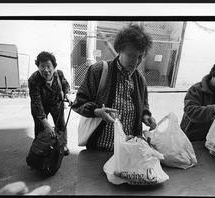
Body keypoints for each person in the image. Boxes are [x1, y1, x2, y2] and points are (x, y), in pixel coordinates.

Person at [72, 23, 157, 151]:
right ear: (119, 50)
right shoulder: (99, 71)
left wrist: (145, 116)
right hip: (101, 148)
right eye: (131, 55)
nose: (136, 61)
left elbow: (144, 104)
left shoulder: (140, 80)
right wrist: (96, 111)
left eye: (140, 56)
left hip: (129, 148)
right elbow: (79, 103)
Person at [28, 51, 72, 156]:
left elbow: (66, 85)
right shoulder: (33, 80)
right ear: (38, 67)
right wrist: (46, 124)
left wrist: (67, 95)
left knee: (61, 125)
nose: (46, 70)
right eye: (42, 66)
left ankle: (62, 145)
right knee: (41, 128)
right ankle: (40, 148)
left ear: (54, 66)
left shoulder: (59, 74)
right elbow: (36, 103)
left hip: (56, 103)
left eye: (49, 66)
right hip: (41, 106)